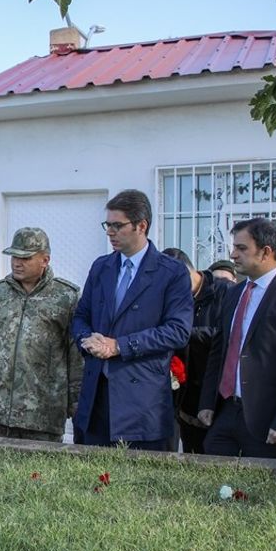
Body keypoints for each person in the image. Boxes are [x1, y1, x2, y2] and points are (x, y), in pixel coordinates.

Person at [71, 189, 192, 450]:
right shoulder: (101, 267)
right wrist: (86, 338)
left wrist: (119, 346)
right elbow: (81, 316)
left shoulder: (171, 272)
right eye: (108, 225)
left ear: (142, 226)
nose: (110, 232)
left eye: (117, 225)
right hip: (97, 398)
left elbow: (177, 330)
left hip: (142, 404)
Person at [197, 218, 276, 459]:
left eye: (242, 248)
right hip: (225, 413)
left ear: (266, 251)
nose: (233, 255)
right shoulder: (234, 294)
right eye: (234, 247)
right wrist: (207, 402)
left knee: (259, 494)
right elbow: (219, 351)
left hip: (268, 422)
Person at [0, 228, 81, 441]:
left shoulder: (66, 297)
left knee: (39, 474)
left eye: (25, 258)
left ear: (45, 259)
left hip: (44, 415)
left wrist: (76, 402)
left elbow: (76, 354)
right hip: (0, 412)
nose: (17, 263)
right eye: (14, 256)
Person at [160, 247, 231, 454]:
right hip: (185, 395)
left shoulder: (225, 292)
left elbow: (228, 335)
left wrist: (185, 333)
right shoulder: (173, 300)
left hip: (218, 392)